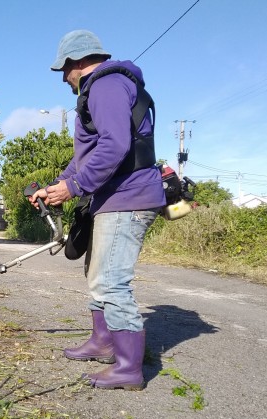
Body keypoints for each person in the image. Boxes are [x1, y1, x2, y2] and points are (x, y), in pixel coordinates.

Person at [28, 30, 166, 391]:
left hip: (128, 197)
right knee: (97, 274)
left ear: (76, 62)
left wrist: (73, 188)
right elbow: (85, 158)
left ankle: (128, 368)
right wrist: (58, 184)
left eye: (64, 69)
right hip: (111, 198)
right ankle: (103, 341)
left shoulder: (105, 85)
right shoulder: (98, 90)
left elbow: (116, 145)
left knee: (111, 281)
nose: (63, 77)